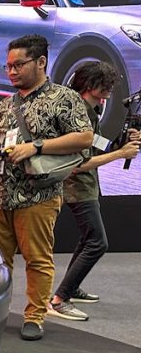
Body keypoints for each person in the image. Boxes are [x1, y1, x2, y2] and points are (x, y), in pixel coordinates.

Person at [0, 34, 93, 341]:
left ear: (41, 62)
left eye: (18, 65)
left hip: (37, 195)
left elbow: (84, 138)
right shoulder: (5, 104)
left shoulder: (64, 98)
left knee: (37, 260)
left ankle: (34, 316)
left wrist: (36, 146)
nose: (12, 72)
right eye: (8, 66)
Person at [48, 61, 141, 321]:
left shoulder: (90, 111)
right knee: (97, 242)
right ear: (91, 85)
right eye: (106, 85)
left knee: (88, 238)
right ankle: (59, 300)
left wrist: (121, 143)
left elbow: (96, 144)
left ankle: (72, 288)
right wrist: (120, 154)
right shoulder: (77, 114)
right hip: (77, 187)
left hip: (87, 185)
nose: (110, 91)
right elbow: (77, 164)